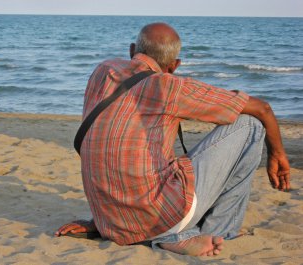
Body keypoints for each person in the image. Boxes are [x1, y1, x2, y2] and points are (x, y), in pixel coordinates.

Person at [55, 23, 290, 256]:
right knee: (250, 125)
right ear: (175, 65)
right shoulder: (169, 87)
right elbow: (263, 109)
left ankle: (162, 231)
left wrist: (100, 221)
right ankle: (218, 232)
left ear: (131, 50)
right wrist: (277, 154)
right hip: (159, 217)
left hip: (110, 222)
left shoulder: (103, 71)